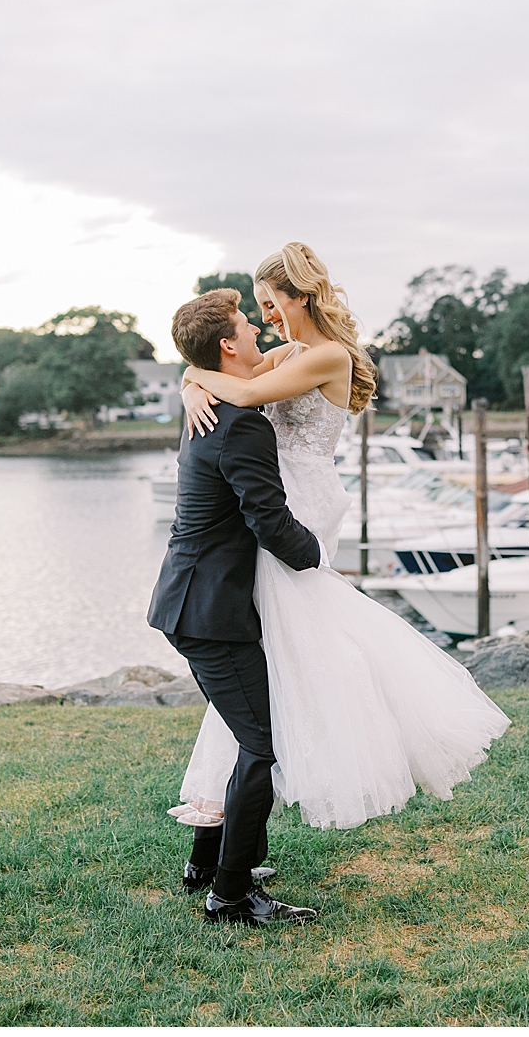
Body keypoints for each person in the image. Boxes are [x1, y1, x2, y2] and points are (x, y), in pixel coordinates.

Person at [174, 243, 511, 899]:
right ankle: (218, 853)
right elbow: (227, 368)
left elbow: (240, 386)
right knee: (267, 669)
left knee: (290, 662)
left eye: (270, 302)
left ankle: (221, 853)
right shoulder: (287, 355)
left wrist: (196, 380)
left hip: (298, 511)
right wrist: (193, 380)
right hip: (279, 509)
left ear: (300, 295)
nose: (265, 316)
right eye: (257, 307)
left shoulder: (328, 355)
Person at [146, 287, 325, 927]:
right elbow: (268, 519)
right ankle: (231, 894)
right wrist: (317, 559)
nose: (255, 330)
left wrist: (192, 380)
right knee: (262, 744)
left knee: (239, 729)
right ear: (227, 345)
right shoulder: (241, 421)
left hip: (193, 602)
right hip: (210, 612)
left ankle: (209, 863)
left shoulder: (212, 403)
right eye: (247, 324)